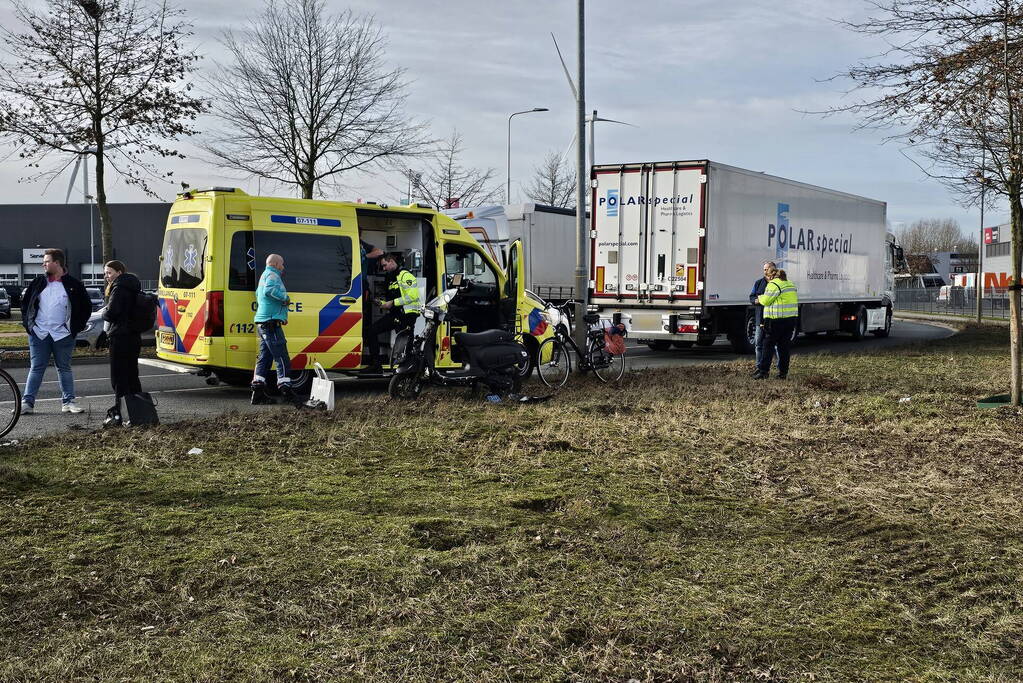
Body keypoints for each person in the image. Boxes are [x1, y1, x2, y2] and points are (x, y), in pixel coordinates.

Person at [19, 248, 92, 414]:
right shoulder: (38, 283)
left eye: (46, 261)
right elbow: (25, 305)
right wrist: (29, 326)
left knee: (64, 368)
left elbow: (86, 308)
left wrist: (75, 327)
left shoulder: (74, 284)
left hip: (63, 335)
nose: (43, 264)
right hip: (39, 333)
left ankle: (68, 402)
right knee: (36, 368)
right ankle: (27, 403)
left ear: (57, 263)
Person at [361, 253, 421, 375]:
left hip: (407, 315)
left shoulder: (405, 275)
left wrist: (392, 303)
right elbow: (392, 299)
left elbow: (413, 296)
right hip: (396, 314)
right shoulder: (390, 277)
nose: (384, 269)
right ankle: (376, 365)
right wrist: (382, 303)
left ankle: (408, 371)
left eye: (385, 265)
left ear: (392, 261)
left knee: (406, 342)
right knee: (371, 331)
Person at [101, 260, 143, 426]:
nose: (106, 276)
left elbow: (111, 313)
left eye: (109, 272)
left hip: (120, 336)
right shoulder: (134, 286)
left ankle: (120, 413)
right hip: (134, 336)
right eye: (105, 273)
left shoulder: (119, 288)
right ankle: (138, 412)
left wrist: (104, 313)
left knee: (118, 377)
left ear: (119, 272)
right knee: (132, 375)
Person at [251, 254, 296, 405]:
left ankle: (258, 393)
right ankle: (286, 390)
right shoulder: (273, 275)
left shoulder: (264, 275)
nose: (283, 267)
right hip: (270, 324)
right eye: (282, 264)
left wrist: (279, 314)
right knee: (282, 357)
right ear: (276, 264)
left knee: (265, 358)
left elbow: (259, 294)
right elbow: (269, 291)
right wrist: (285, 298)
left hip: (264, 322)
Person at [755, 266, 799, 380]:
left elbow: (766, 301)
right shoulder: (790, 284)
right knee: (784, 348)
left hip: (775, 320)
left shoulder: (773, 284)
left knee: (767, 346)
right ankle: (783, 373)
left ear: (771, 276)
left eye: (767, 276)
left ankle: (763, 372)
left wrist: (759, 298)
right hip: (790, 320)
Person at [749, 261, 776, 372]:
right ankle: (759, 367)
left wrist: (763, 299)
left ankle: (774, 367)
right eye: (764, 269)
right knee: (758, 344)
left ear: (773, 270)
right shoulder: (758, 283)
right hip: (760, 319)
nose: (765, 271)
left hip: (773, 319)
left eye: (767, 269)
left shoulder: (777, 284)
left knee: (774, 345)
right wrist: (757, 300)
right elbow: (752, 297)